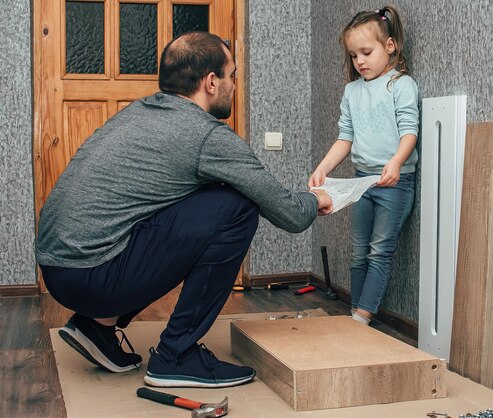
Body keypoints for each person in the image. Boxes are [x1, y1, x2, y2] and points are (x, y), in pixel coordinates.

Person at [36, 31, 332, 388]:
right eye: (231, 75)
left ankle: (96, 327)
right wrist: (318, 199)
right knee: (237, 206)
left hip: (57, 271)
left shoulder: (136, 113)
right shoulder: (206, 135)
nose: (234, 85)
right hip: (92, 276)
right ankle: (177, 355)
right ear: (210, 82)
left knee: (200, 196)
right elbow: (292, 215)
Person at [308, 6, 418, 326]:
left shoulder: (401, 85)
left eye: (366, 52)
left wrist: (396, 162)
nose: (360, 62)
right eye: (354, 55)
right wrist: (323, 169)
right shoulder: (352, 92)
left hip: (395, 183)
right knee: (358, 253)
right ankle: (354, 313)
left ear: (390, 46)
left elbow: (410, 131)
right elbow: (346, 138)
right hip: (362, 182)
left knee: (379, 251)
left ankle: (362, 318)